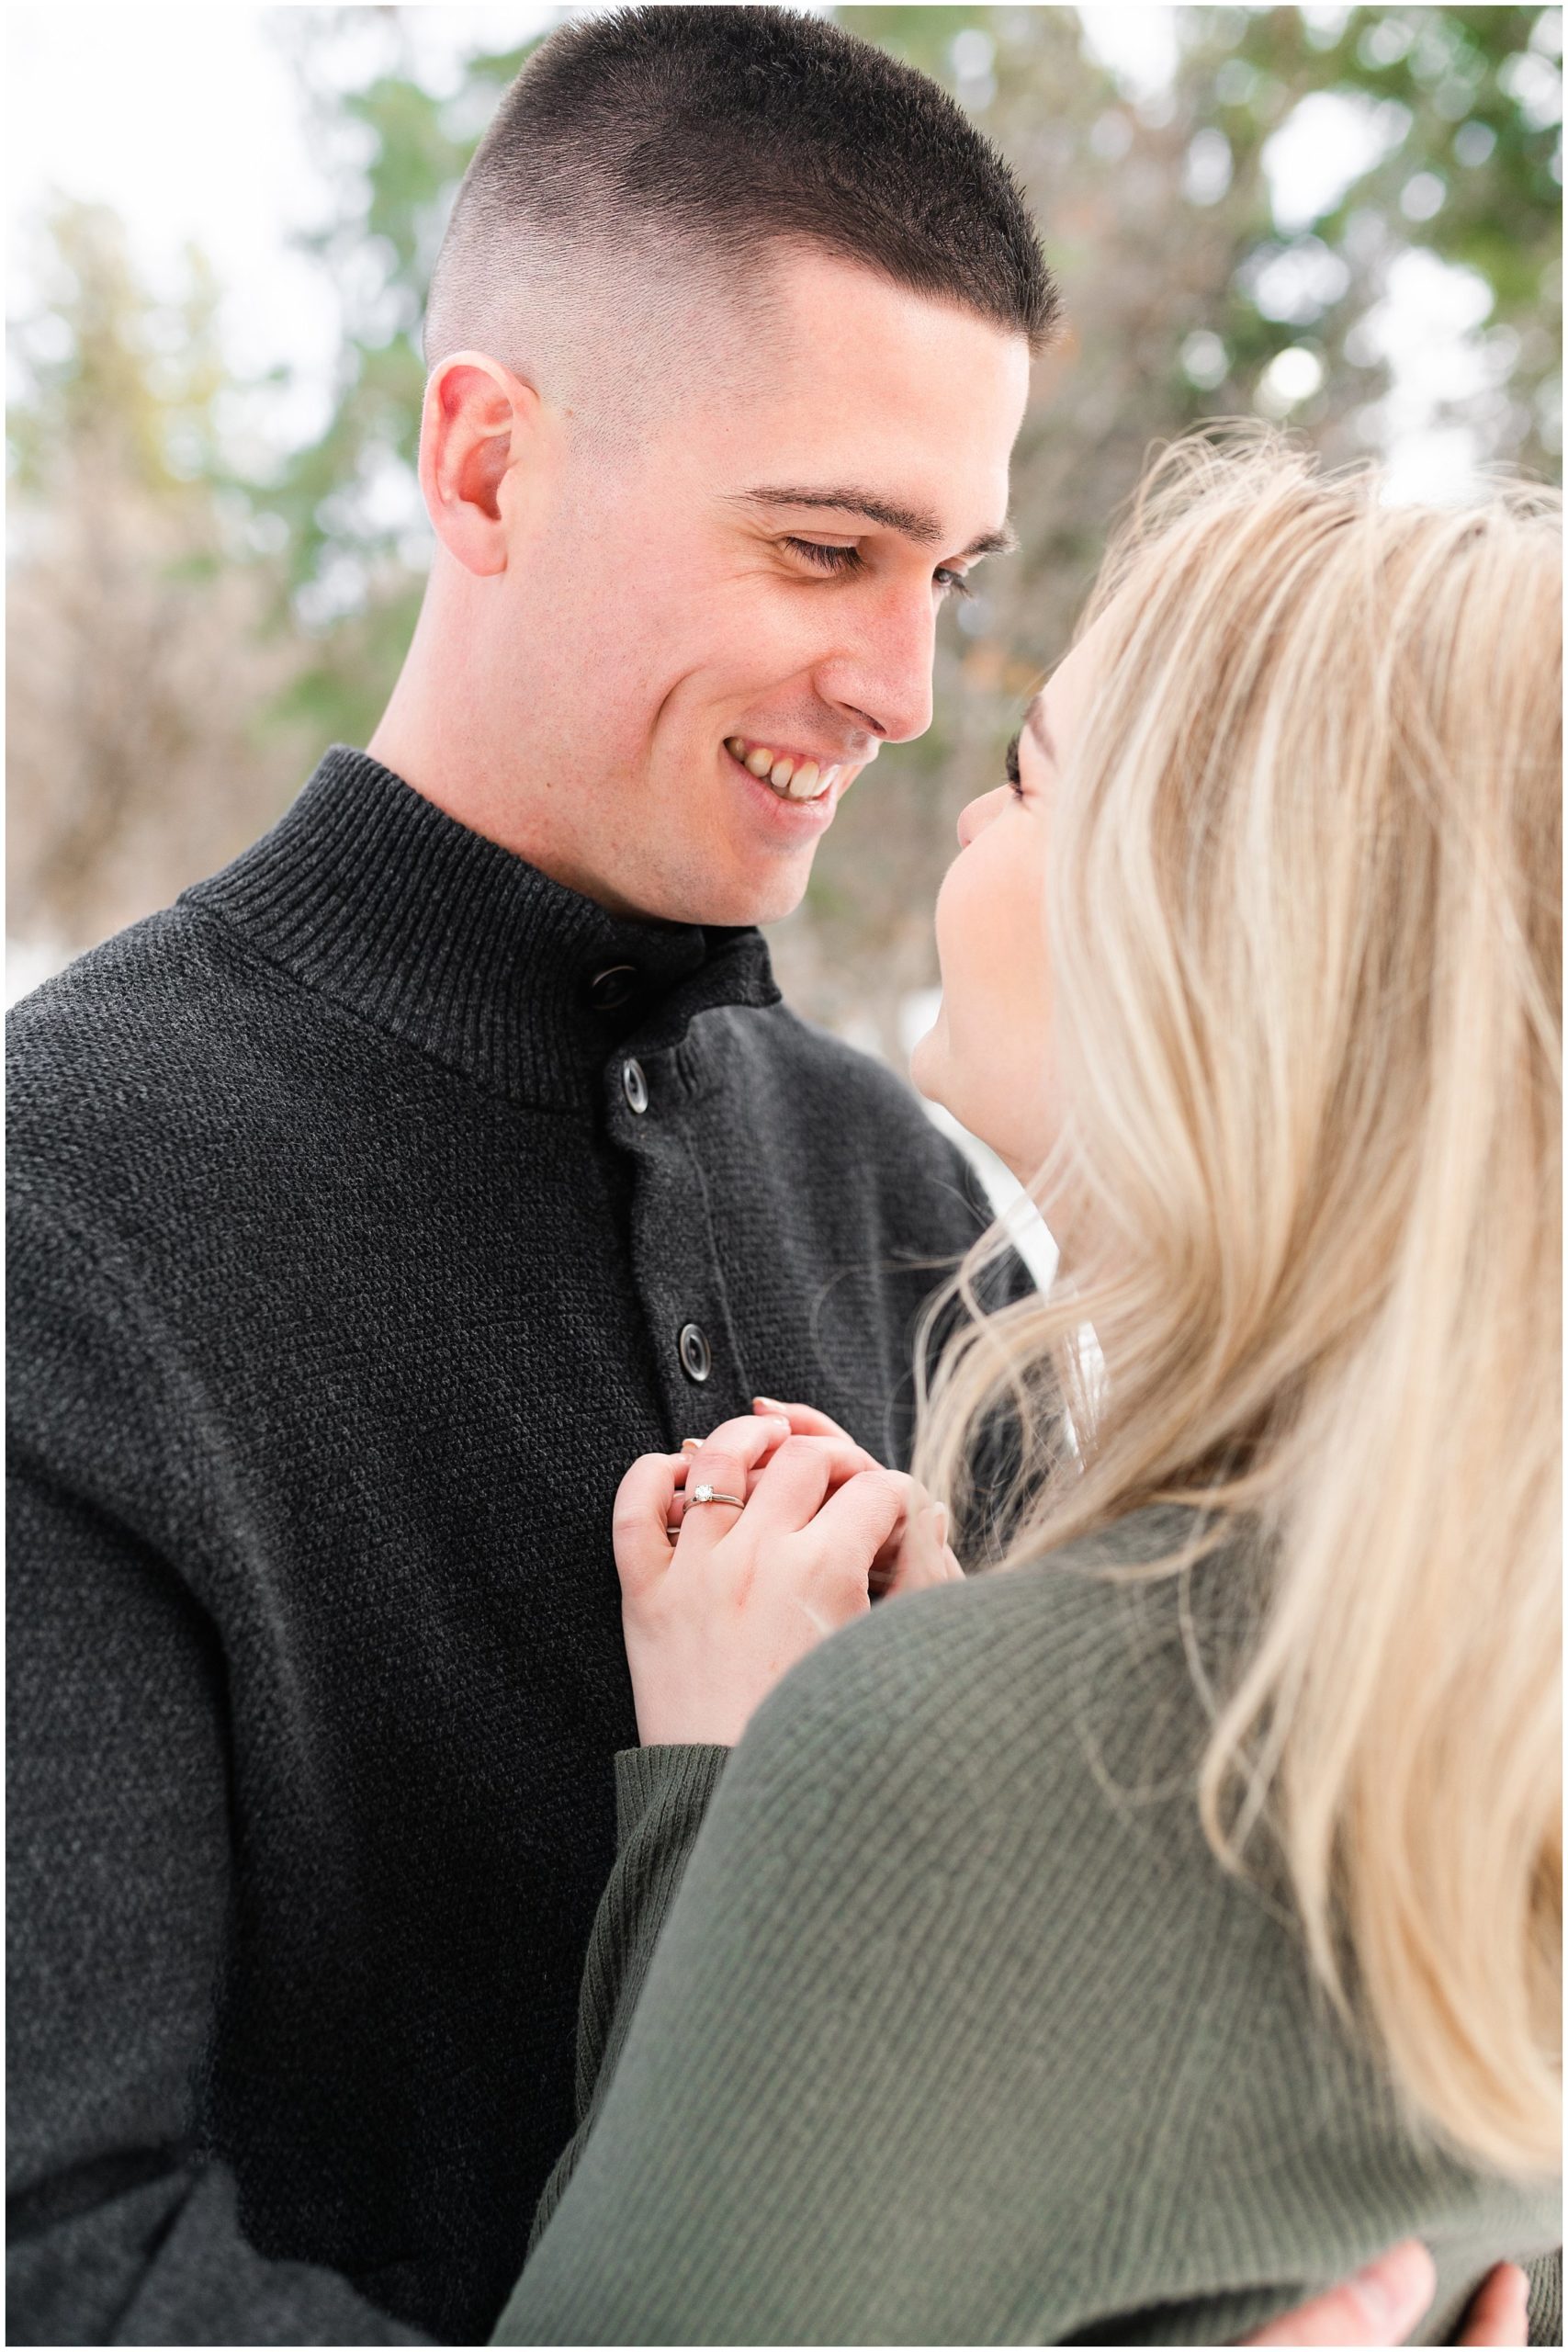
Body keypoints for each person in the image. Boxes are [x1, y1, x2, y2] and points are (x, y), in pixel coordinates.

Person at [1, 6, 1533, 2343]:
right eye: (827, 545)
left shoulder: (908, 1191)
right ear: (488, 466)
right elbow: (58, 2259)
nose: (907, 684)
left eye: (949, 570)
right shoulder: (64, 1201)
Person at [489, 435, 1562, 2346]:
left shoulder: (959, 1772)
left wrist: (732, 1806)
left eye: (1021, 777)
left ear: (1210, 942)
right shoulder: (1480, 1721)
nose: (947, 785)